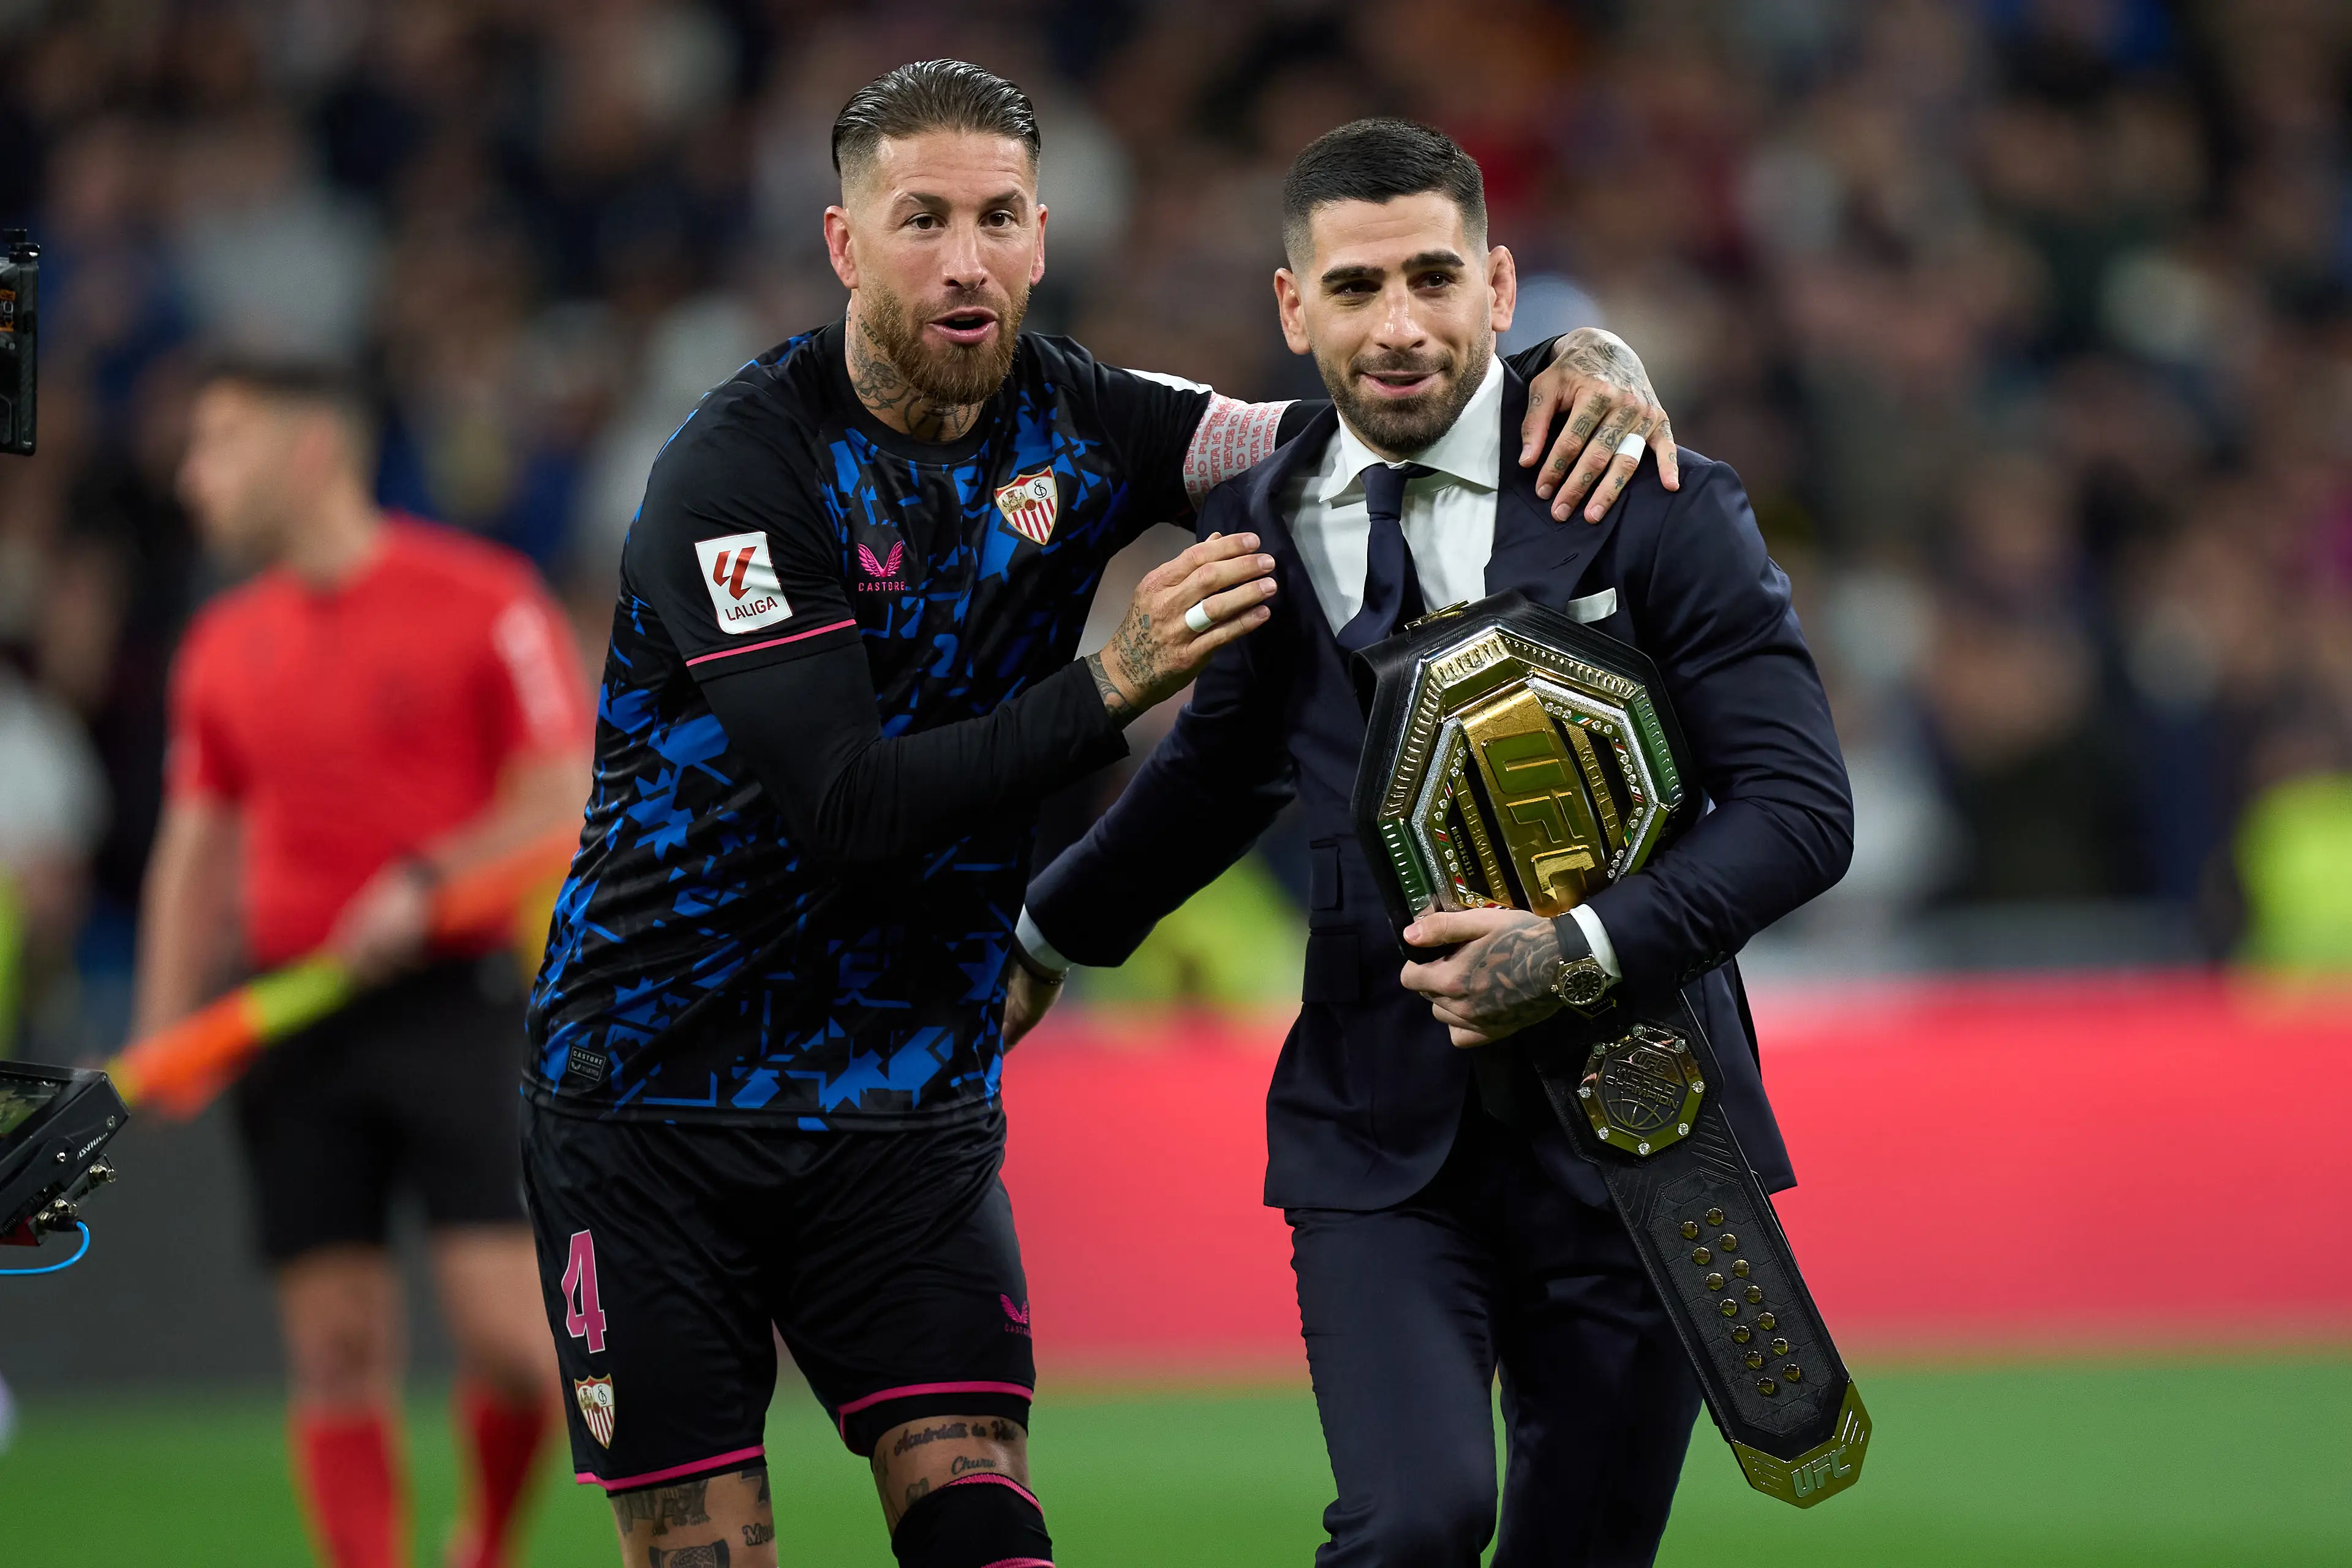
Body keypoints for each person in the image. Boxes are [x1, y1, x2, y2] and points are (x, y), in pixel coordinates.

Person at [519, 60, 1680, 1568]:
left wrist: (1580, 358)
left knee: (985, 1517)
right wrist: (1118, 678)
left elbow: (1365, 428)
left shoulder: (1091, 420)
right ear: (842, 243)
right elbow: (849, 805)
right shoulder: (737, 477)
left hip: (906, 1089)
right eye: (920, 217)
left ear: (1045, 233)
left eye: (999, 216)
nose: (964, 258)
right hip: (654, 1088)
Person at [1011, 119, 1853, 1567]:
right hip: (1374, 1133)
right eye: (1353, 288)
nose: (1398, 326)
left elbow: (1801, 810)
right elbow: (1213, 785)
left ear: (1499, 286)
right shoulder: (1259, 518)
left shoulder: (1650, 496)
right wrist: (1043, 935)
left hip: (1636, 1123)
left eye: (1432, 278)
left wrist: (1578, 946)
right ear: (1293, 307)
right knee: (1415, 1520)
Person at [137, 361, 592, 1568]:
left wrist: (428, 882)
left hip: (457, 1006)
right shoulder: (222, 643)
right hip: (294, 1020)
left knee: (513, 1339)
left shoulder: (484, 597)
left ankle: (482, 1544)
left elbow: (562, 801)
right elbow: (195, 848)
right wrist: (161, 1030)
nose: (194, 476)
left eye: (221, 442)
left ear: (312, 450)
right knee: (334, 1344)